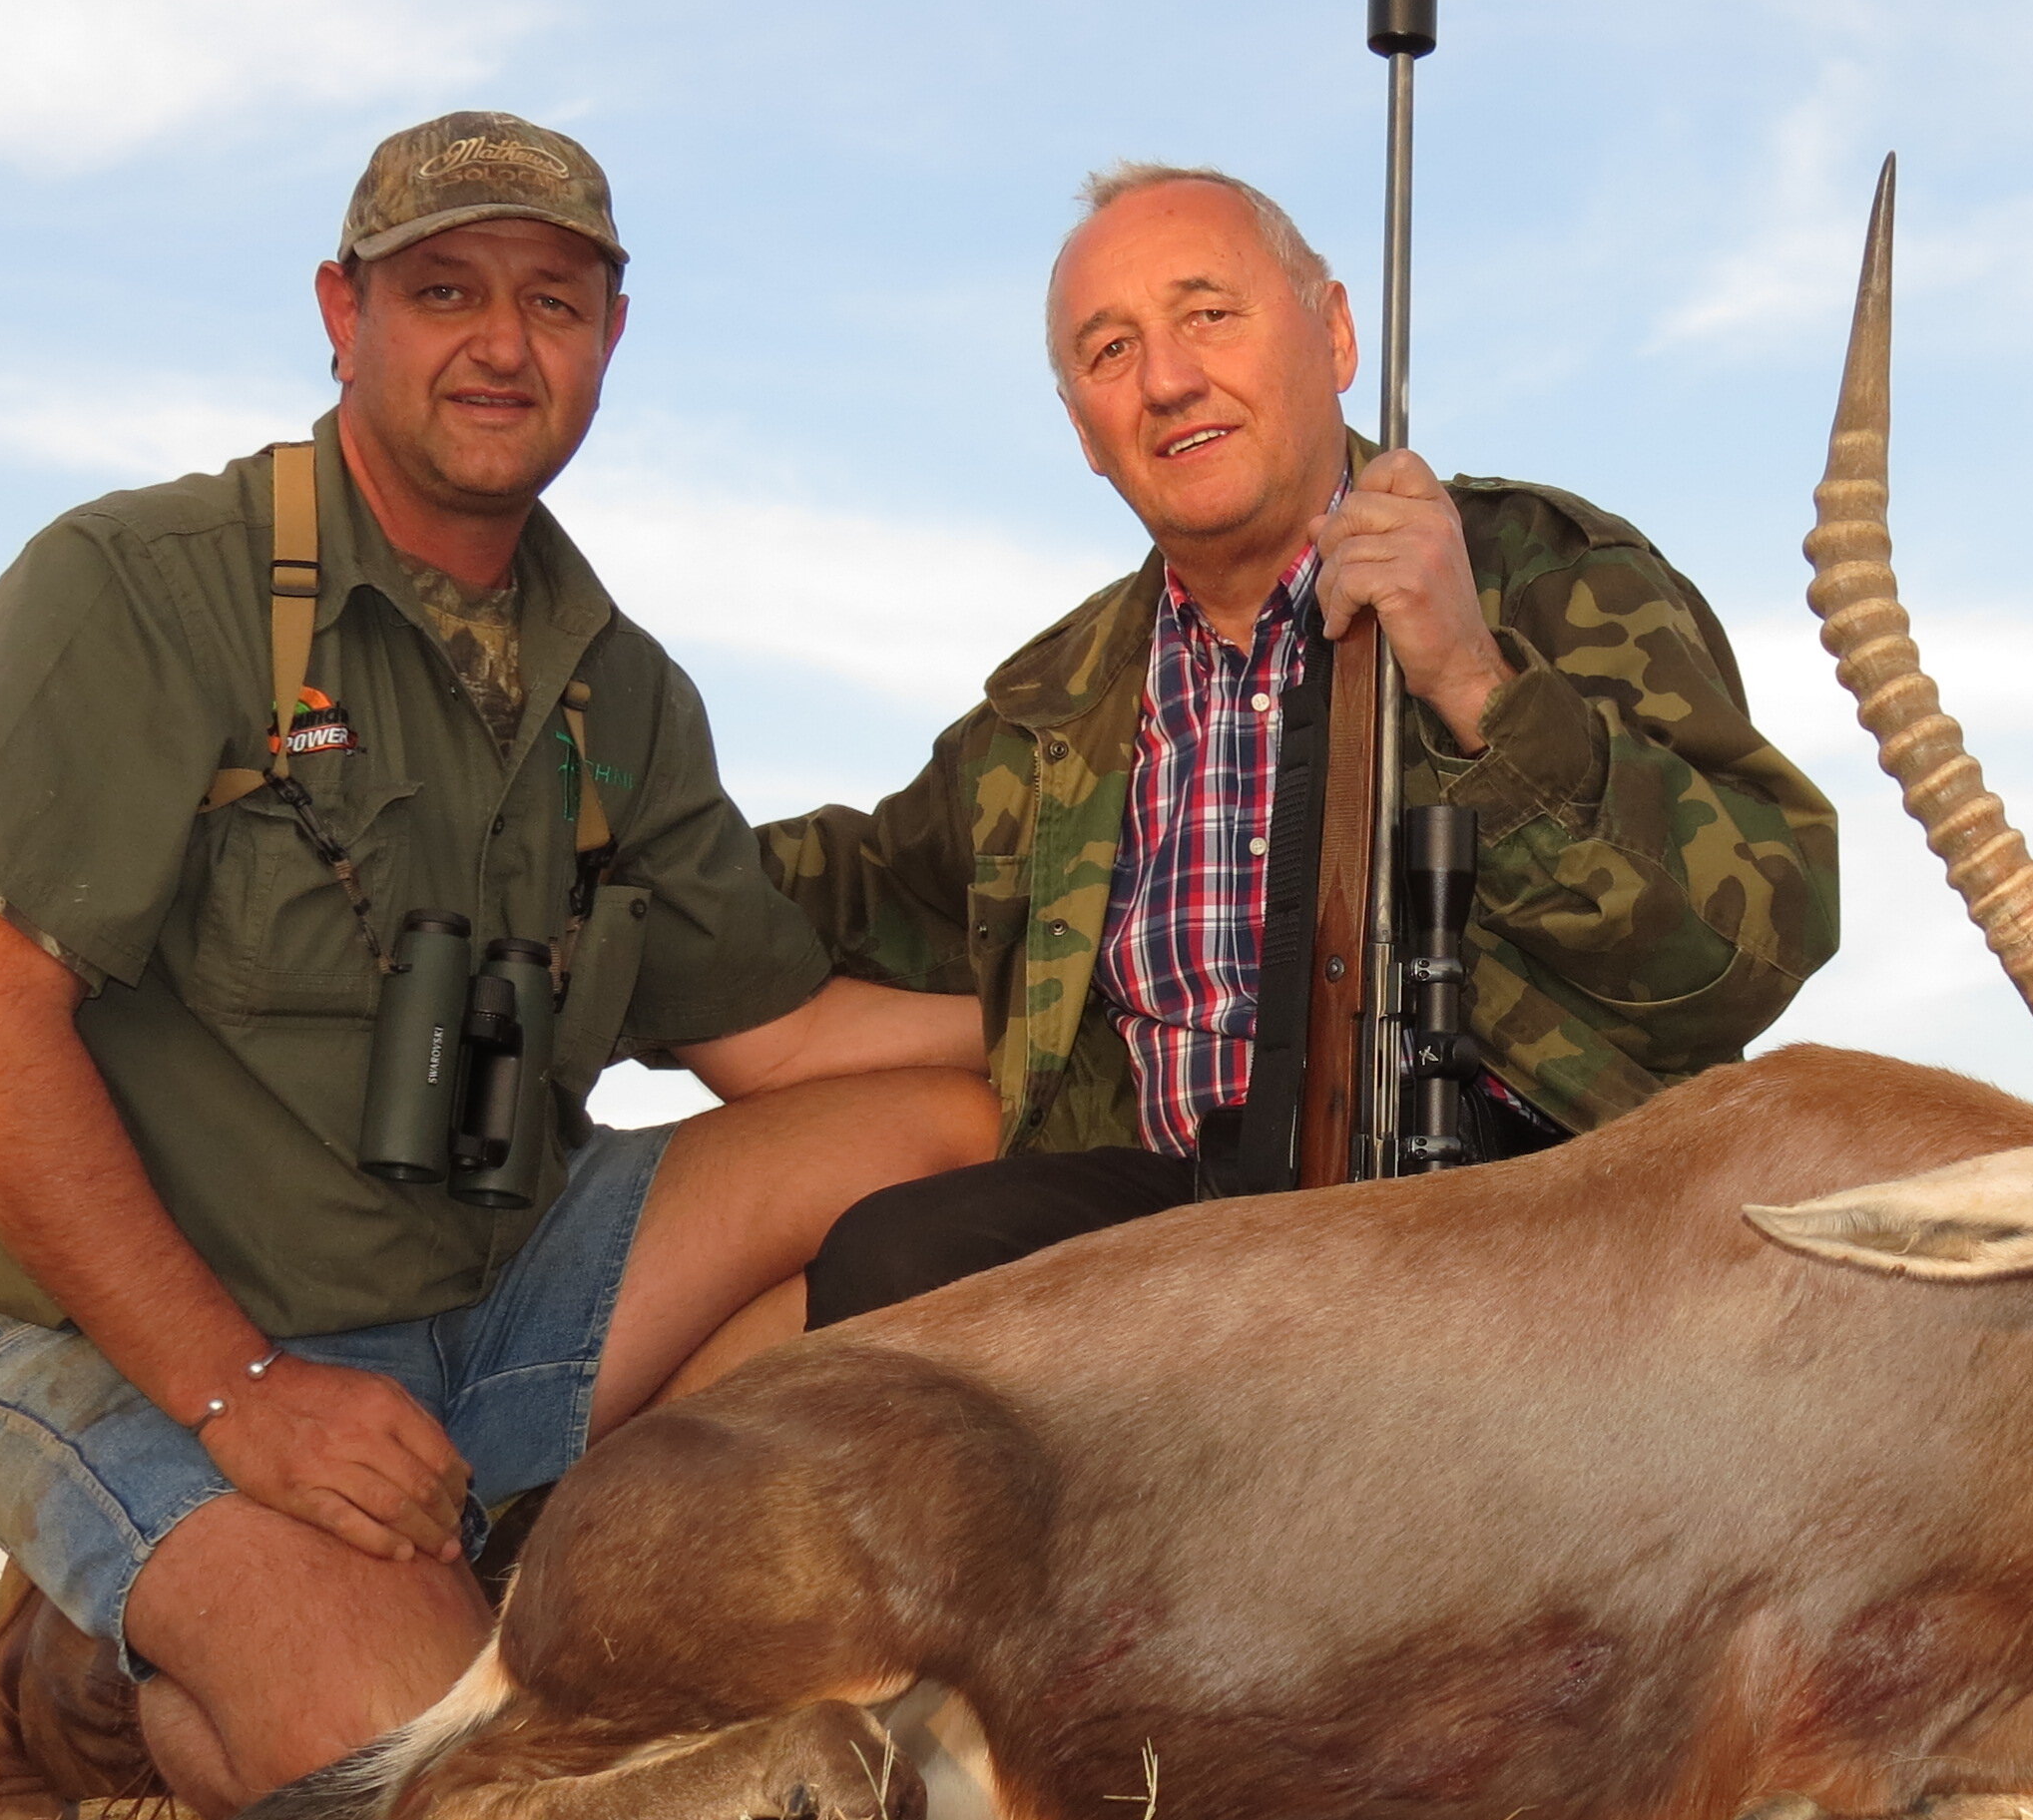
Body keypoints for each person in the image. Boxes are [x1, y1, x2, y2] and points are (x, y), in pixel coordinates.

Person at [0, 112, 999, 1820]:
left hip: (487, 1303)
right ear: (343, 311)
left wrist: (1118, 985)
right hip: (152, 1338)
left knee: (952, 1125)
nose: (501, 342)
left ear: (610, 337)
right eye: (444, 289)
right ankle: (120, 1676)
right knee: (423, 1767)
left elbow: (780, 1040)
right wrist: (240, 1396)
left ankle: (555, 1568)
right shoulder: (141, 583)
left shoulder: (621, 688)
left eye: (554, 301)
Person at [759, 165, 1835, 1321]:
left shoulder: (1549, 575)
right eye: (1110, 351)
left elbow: (1755, 947)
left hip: (1520, 1228)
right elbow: (819, 893)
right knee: (896, 1262)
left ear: (1332, 335)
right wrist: (598, 836)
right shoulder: (1048, 715)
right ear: (1084, 430)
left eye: (1208, 315)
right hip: (1181, 1226)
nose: (1169, 380)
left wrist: (1477, 684)